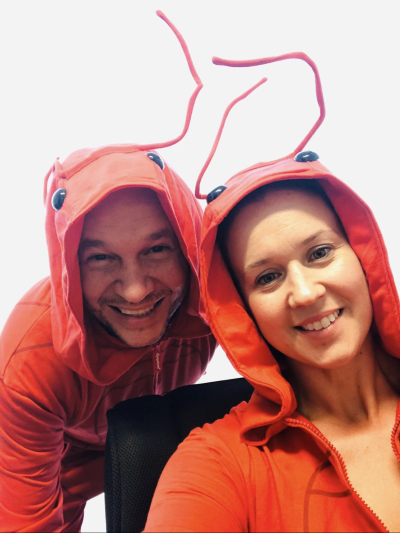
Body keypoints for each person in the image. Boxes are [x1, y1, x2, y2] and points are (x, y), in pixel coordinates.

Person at [144, 54, 400, 532]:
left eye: (321, 252)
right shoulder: (215, 463)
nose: (304, 293)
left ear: (364, 256)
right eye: (266, 277)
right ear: (241, 311)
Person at [0, 12, 216, 532]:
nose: (137, 288)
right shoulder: (31, 361)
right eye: (100, 258)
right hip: (61, 467)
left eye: (158, 250)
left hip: (164, 445)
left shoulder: (219, 292)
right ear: (69, 264)